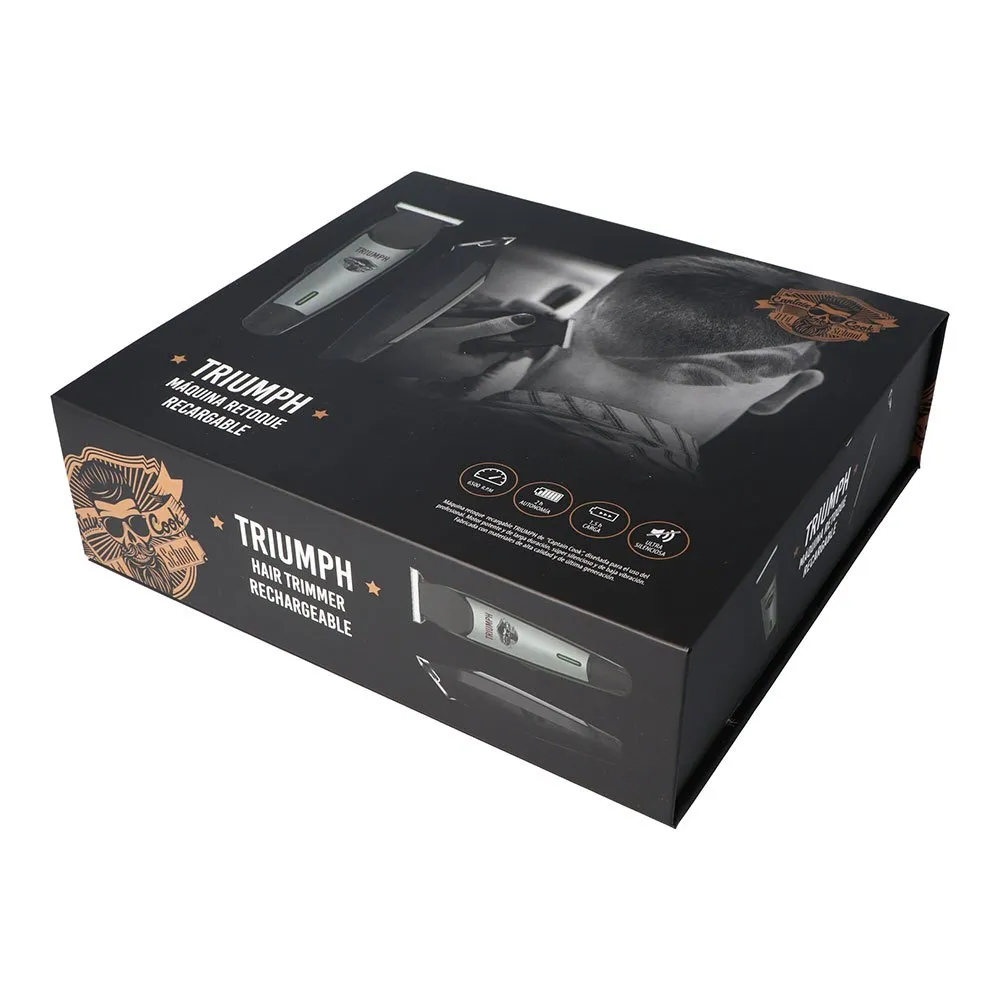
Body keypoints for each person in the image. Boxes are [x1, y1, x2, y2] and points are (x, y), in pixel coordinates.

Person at [369, 255, 829, 476]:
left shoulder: (386, 425)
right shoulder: (709, 535)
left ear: (557, 326)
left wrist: (373, 355)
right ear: (788, 390)